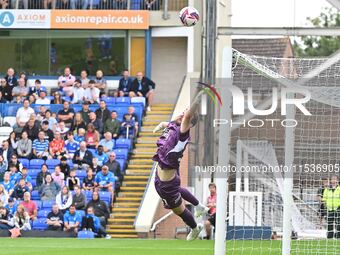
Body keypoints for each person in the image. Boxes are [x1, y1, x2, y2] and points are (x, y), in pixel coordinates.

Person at [152, 89, 209, 241]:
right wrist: (161, 124)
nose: (182, 115)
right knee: (177, 193)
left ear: (189, 123)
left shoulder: (183, 131)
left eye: (185, 115)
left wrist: (197, 98)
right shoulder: (173, 126)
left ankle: (195, 227)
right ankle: (199, 206)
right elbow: (168, 123)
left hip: (167, 182)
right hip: (160, 177)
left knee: (179, 210)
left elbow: (189, 115)